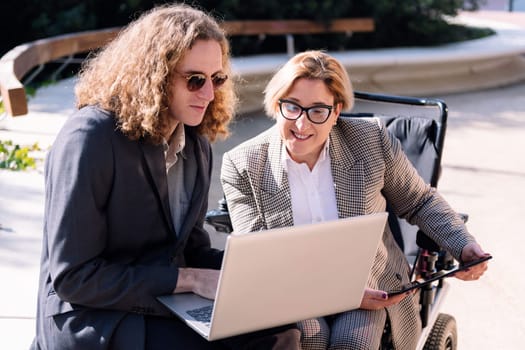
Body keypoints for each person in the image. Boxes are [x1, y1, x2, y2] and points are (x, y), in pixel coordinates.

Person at [31, 4, 301, 350]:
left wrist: (274, 270)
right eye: (195, 80)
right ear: (155, 75)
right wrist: (188, 279)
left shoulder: (195, 144)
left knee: (281, 330)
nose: (209, 94)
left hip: (159, 303)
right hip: (92, 319)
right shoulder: (89, 139)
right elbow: (75, 278)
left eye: (217, 79)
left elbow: (190, 248)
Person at [220, 50, 490, 350]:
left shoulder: (371, 140)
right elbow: (260, 261)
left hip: (370, 286)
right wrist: (336, 292)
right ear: (276, 104)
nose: (301, 124)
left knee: (352, 343)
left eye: (317, 111)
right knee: (310, 337)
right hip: (290, 292)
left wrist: (463, 244)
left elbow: (419, 201)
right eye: (292, 107)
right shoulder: (243, 164)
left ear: (336, 112)